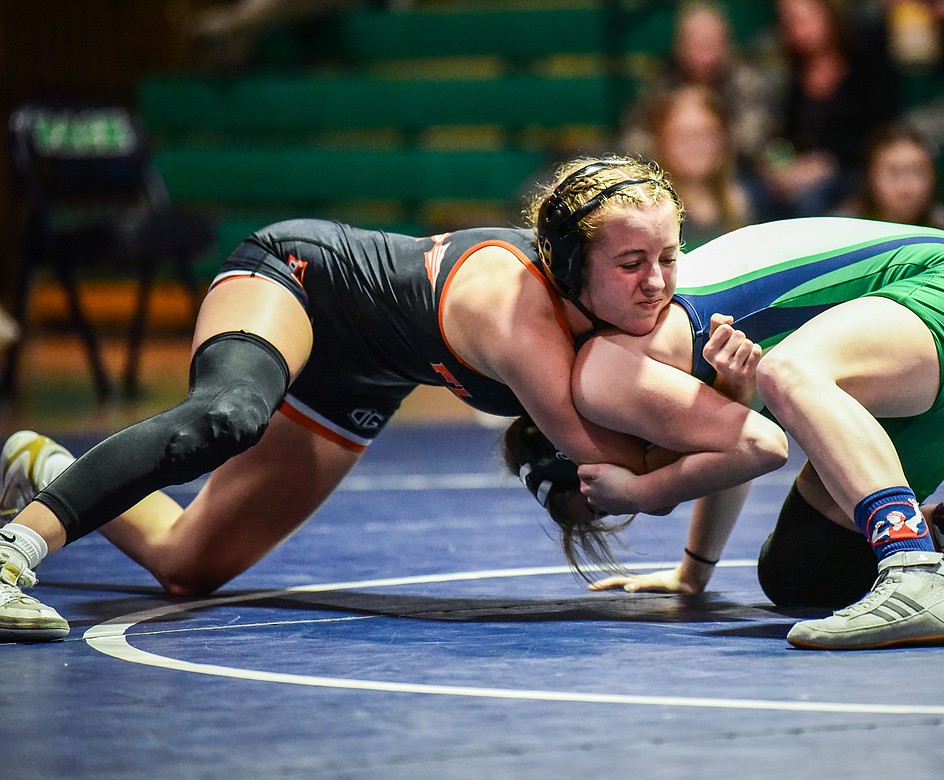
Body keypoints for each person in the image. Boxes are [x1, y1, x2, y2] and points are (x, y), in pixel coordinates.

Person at [3, 156, 778, 643]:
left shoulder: (608, 324)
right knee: (226, 416)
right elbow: (621, 466)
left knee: (189, 566)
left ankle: (42, 465)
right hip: (302, 282)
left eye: (670, 259)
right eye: (633, 262)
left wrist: (716, 406)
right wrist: (712, 419)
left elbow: (642, 472)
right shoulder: (522, 318)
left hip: (363, 376)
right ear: (572, 263)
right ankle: (14, 553)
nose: (657, 284)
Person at [506, 216, 944, 650]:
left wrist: (647, 493)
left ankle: (916, 577)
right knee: (803, 568)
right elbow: (731, 446)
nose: (637, 484)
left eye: (614, 482)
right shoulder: (644, 381)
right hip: (943, 359)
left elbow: (758, 446)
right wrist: (694, 571)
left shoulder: (615, 364)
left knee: (786, 372)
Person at [759, 0, 900, 218]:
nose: (799, 28)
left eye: (805, 18)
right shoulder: (790, 77)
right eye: (790, 22)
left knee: (810, 199)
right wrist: (780, 167)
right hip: (804, 173)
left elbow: (880, 134)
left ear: (828, 16)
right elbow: (785, 138)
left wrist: (828, 163)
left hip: (856, 169)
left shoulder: (866, 64)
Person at [619, 0, 780, 173]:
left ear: (726, 45)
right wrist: (671, 149)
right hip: (670, 175)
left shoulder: (747, 83)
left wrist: (703, 147)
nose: (705, 55)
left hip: (734, 174)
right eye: (696, 43)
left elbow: (755, 140)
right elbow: (632, 136)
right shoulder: (662, 85)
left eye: (711, 43)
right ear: (680, 46)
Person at [640, 85, 758, 248]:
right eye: (684, 136)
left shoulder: (743, 201)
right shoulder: (647, 212)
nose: (696, 146)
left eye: (706, 134)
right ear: (661, 141)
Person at [835, 121, 944, 232]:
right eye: (893, 173)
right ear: (869, 176)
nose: (906, 188)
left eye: (917, 172)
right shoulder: (844, 228)